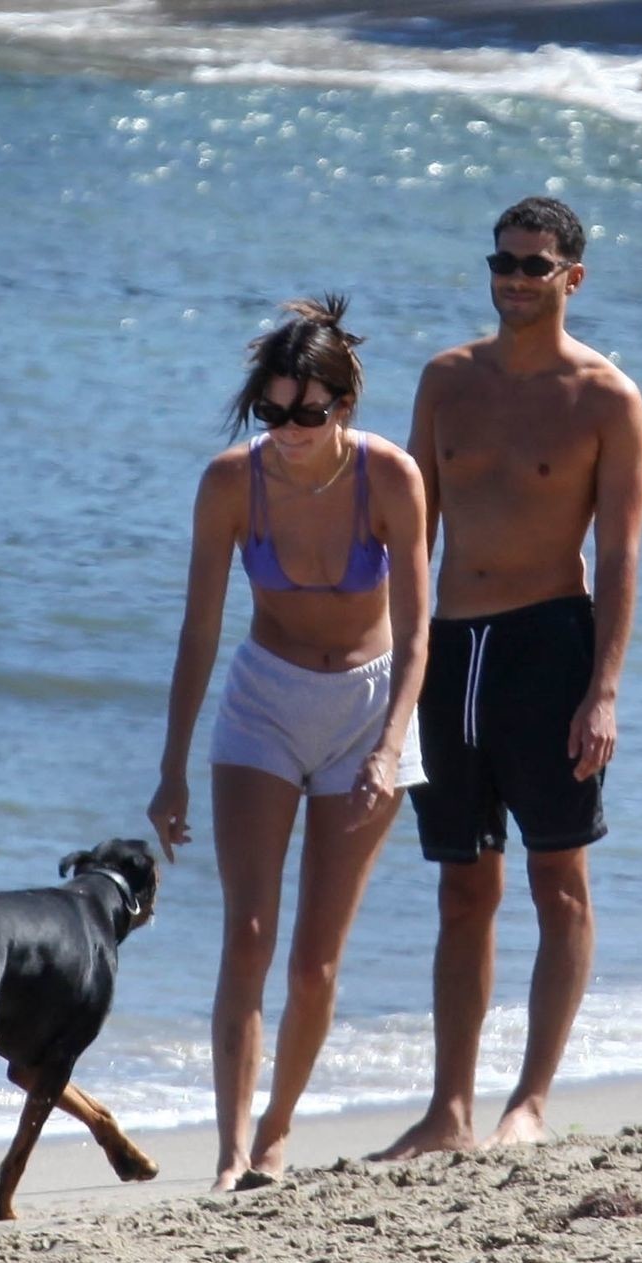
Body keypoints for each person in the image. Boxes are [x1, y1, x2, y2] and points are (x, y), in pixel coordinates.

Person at [373, 197, 642, 1159]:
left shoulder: (606, 398)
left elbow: (619, 556)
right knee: (461, 887)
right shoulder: (447, 380)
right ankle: (448, 1111)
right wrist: (391, 656)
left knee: (556, 878)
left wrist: (603, 689)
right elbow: (412, 533)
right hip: (451, 651)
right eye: (502, 261)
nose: (514, 278)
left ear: (573, 277)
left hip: (549, 646)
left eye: (535, 265)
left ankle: (529, 1102)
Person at [148, 296, 431, 1191]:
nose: (288, 430)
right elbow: (200, 630)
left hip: (369, 710)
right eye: (271, 413)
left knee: (314, 962)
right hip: (264, 704)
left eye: (307, 413)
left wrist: (390, 746)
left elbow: (418, 634)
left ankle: (276, 1134)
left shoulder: (391, 478)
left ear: (343, 404)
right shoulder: (232, 483)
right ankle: (232, 1153)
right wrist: (171, 768)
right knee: (249, 936)